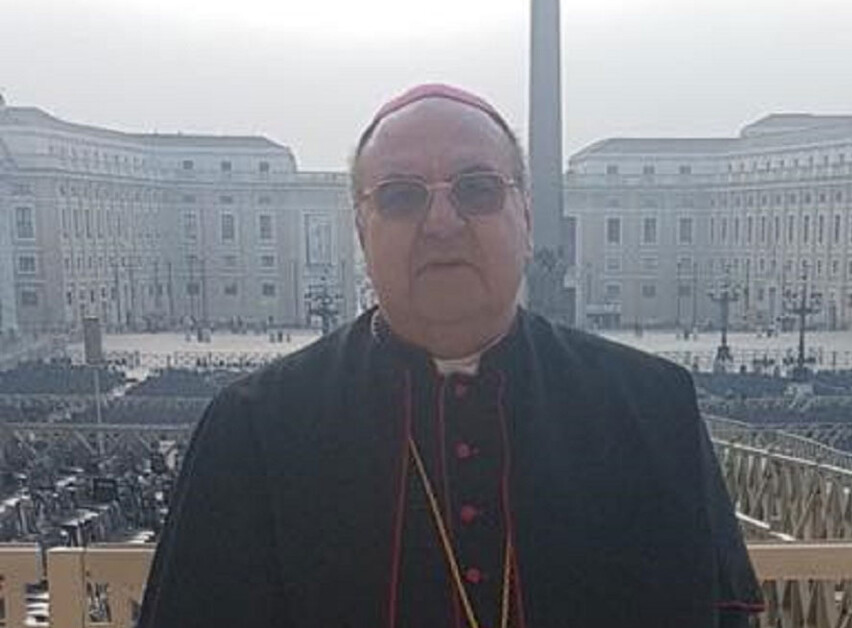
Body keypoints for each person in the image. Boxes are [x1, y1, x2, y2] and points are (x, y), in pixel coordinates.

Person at [137, 83, 762, 628]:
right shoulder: (252, 429)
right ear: (361, 232)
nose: (441, 222)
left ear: (526, 216)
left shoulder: (653, 408)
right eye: (401, 196)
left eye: (477, 189)